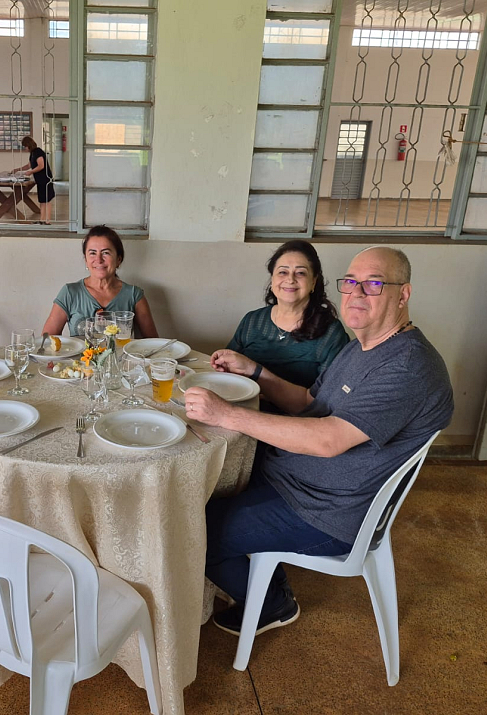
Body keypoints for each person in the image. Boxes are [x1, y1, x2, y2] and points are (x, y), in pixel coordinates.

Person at [183, 246, 453, 636]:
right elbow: (309, 402)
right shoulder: (361, 346)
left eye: (374, 284)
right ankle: (260, 577)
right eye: (351, 282)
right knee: (203, 489)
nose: (356, 293)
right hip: (297, 478)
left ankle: (272, 604)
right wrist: (256, 372)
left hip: (326, 511)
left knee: (192, 529)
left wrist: (227, 415)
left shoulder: (408, 365)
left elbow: (330, 440)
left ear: (403, 294)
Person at [227, 240, 349, 389]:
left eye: (300, 273)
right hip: (242, 401)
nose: (290, 279)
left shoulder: (331, 333)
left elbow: (329, 394)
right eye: (283, 272)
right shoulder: (252, 321)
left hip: (300, 405)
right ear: (272, 279)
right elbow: (228, 371)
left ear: (313, 282)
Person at [42, 225, 160, 338]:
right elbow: (47, 340)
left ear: (118, 259)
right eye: (92, 253)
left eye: (106, 253)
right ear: (86, 260)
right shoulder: (70, 292)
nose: (98, 260)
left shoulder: (134, 295)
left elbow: (152, 343)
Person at [14, 136, 55, 225]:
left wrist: (31, 172)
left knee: (47, 200)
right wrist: (18, 169)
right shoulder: (32, 153)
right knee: (42, 200)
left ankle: (47, 221)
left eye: (25, 146)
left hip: (45, 179)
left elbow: (41, 166)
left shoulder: (38, 152)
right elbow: (29, 165)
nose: (25, 148)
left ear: (29, 145)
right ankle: (42, 220)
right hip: (40, 180)